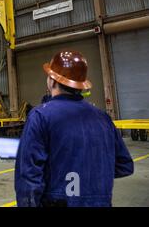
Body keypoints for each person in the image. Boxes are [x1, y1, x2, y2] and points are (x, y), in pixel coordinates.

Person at [15, 51, 134, 207]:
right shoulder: (103, 118)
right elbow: (124, 165)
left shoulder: (40, 116)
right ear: (81, 85)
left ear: (52, 81)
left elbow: (28, 177)